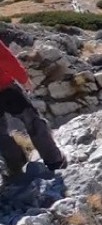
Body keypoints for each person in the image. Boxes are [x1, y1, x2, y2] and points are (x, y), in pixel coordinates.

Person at [0, 40, 66, 178]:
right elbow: (6, 58)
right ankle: (54, 161)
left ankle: (16, 167)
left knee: (1, 135)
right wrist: (24, 80)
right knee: (32, 121)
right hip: (6, 88)